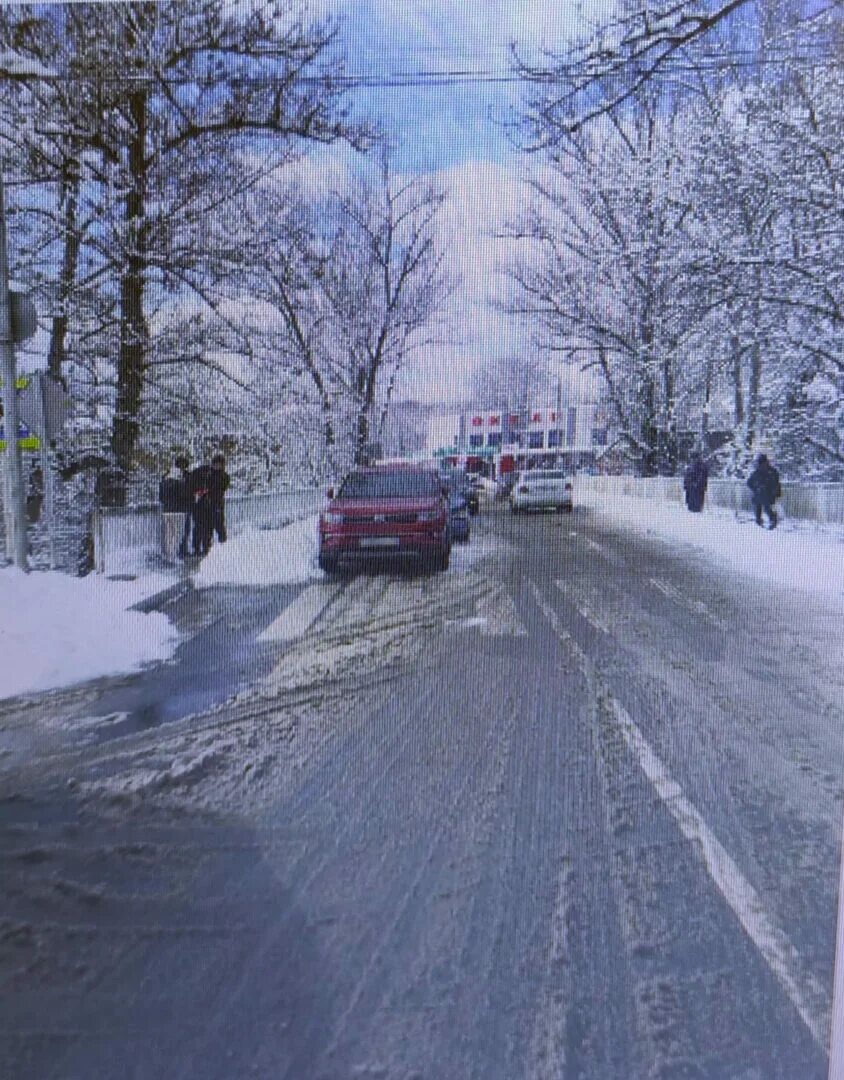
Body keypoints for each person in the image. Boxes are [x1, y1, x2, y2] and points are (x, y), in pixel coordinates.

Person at [189, 452, 230, 556]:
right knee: (206, 529)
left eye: (219, 464)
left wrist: (207, 490)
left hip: (216, 506)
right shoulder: (207, 473)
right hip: (205, 507)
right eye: (215, 464)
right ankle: (205, 549)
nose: (216, 466)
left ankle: (224, 547)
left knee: (219, 527)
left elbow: (220, 487)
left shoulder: (223, 476)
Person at [159, 454, 192, 562]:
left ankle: (169, 554)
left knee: (169, 533)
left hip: (167, 510)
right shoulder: (182, 478)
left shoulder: (165, 477)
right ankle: (178, 554)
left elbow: (161, 496)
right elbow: (184, 494)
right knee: (179, 533)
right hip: (180, 510)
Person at [747, 452, 782, 529]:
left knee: (762, 509)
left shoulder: (758, 471)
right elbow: (776, 483)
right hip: (766, 494)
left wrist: (756, 488)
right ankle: (771, 521)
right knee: (766, 509)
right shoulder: (771, 471)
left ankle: (763, 522)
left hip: (761, 494)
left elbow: (749, 483)